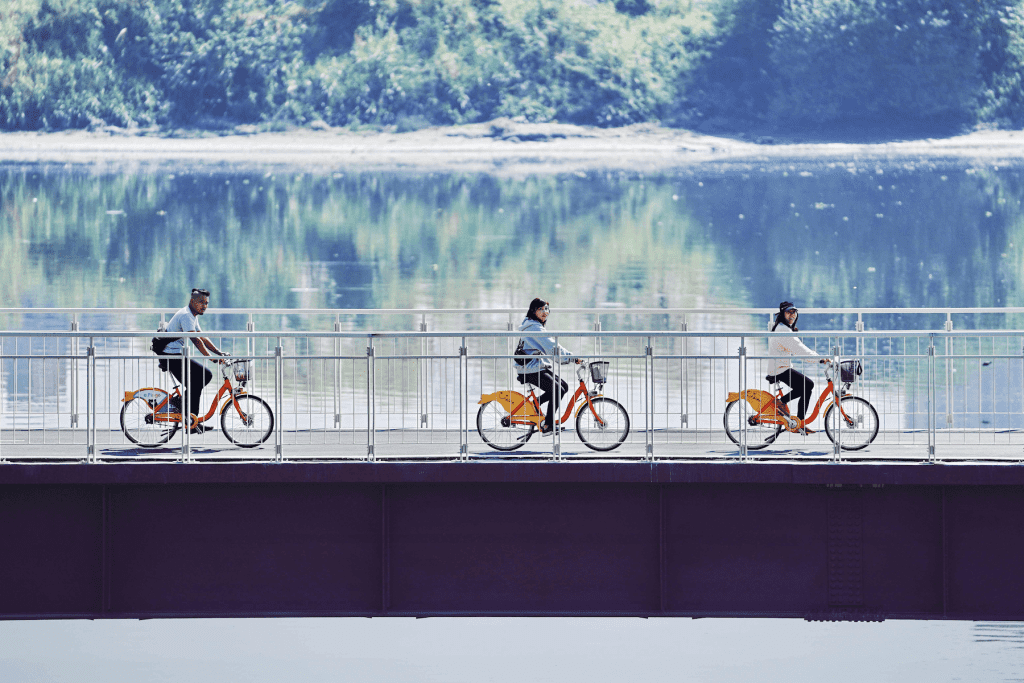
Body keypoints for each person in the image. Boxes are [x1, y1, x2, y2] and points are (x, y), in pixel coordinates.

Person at [157, 288, 227, 432]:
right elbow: (196, 340)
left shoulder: (192, 315)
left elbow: (202, 337)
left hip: (176, 355)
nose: (204, 306)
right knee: (203, 377)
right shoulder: (186, 316)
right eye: (201, 302)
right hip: (171, 356)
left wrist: (218, 352)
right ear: (192, 301)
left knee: (200, 380)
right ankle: (188, 417)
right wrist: (211, 358)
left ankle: (191, 419)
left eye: (206, 303)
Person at [515, 298, 583, 435]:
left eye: (546, 309)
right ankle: (548, 425)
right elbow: (552, 346)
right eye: (540, 309)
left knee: (564, 387)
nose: (544, 312)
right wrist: (571, 357)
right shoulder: (534, 327)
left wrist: (569, 357)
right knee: (557, 389)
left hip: (535, 366)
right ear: (533, 311)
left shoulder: (533, 324)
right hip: (530, 369)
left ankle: (535, 404)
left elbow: (551, 347)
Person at [767, 301, 826, 435]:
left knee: (806, 387)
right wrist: (820, 359)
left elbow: (799, 349)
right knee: (808, 385)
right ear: (782, 314)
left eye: (794, 312)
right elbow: (800, 350)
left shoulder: (783, 328)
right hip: (779, 369)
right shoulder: (783, 330)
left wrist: (817, 358)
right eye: (789, 312)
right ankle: (783, 404)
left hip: (780, 367)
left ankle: (800, 423)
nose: (792, 315)